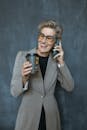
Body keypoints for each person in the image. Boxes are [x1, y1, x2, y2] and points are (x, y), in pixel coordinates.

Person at [10, 20, 74, 130]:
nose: (43, 41)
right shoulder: (22, 56)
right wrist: (24, 79)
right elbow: (14, 92)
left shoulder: (56, 60)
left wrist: (61, 63)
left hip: (51, 117)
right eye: (42, 35)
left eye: (49, 38)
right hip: (28, 116)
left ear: (55, 42)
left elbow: (69, 87)